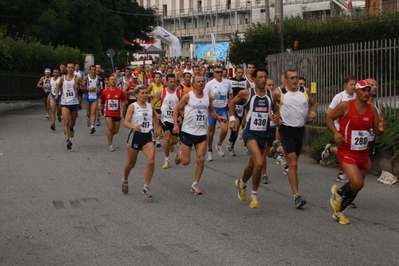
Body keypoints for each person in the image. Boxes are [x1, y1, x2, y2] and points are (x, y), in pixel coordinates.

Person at [327, 80, 385, 225]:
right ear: (356, 91)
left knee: (358, 187)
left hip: (363, 152)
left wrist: (381, 129)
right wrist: (335, 133)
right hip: (347, 150)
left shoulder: (372, 109)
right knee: (357, 182)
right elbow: (329, 118)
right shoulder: (346, 106)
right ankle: (339, 192)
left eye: (368, 90)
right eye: (363, 90)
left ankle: (339, 211)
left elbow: (376, 131)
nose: (366, 93)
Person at [229, 68, 279, 208]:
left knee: (252, 165)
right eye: (260, 77)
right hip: (250, 133)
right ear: (255, 79)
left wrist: (276, 118)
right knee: (259, 163)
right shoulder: (246, 93)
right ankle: (254, 194)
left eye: (265, 77)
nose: (263, 80)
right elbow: (232, 103)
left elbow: (276, 110)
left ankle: (242, 183)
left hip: (264, 133)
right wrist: (232, 119)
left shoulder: (271, 95)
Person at [172, 75, 227, 195]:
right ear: (194, 84)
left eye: (203, 81)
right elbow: (176, 109)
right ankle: (181, 154)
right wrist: (176, 125)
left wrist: (218, 117)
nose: (201, 83)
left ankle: (195, 184)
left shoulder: (207, 97)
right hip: (188, 131)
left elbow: (211, 110)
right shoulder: (188, 96)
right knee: (186, 162)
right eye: (198, 82)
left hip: (201, 132)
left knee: (201, 159)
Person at [271, 68, 317, 208]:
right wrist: (275, 117)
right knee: (293, 162)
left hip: (300, 129)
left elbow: (313, 104)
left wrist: (312, 113)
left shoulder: (305, 91)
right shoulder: (279, 93)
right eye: (291, 78)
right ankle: (296, 195)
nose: (295, 80)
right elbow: (272, 107)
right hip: (286, 129)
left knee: (294, 160)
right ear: (286, 80)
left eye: (296, 77)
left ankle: (277, 148)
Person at [122, 84, 159, 197]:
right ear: (136, 95)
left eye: (146, 93)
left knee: (151, 161)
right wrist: (134, 127)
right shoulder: (132, 106)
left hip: (148, 135)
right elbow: (126, 123)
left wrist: (156, 129)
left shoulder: (150, 106)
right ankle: (125, 179)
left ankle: (145, 187)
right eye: (142, 93)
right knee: (131, 164)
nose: (145, 95)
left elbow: (154, 117)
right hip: (136, 135)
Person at [321, 75, 357, 182]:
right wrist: (339, 117)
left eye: (355, 84)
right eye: (351, 84)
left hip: (353, 128)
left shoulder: (357, 96)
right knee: (345, 150)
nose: (353, 87)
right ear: (346, 85)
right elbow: (329, 112)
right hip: (340, 128)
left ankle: (330, 150)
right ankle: (341, 174)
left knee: (350, 151)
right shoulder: (339, 97)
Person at [151, 74, 182, 169]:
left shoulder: (179, 93)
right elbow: (152, 104)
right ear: (167, 82)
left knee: (174, 141)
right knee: (167, 137)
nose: (173, 84)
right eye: (171, 82)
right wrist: (157, 115)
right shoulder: (162, 92)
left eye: (174, 82)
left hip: (175, 119)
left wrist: (181, 116)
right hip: (164, 118)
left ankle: (172, 144)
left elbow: (184, 105)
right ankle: (166, 160)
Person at [204, 65, 233, 161]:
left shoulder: (227, 82)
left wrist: (230, 102)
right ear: (214, 73)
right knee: (211, 133)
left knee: (225, 130)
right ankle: (209, 150)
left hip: (223, 109)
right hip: (212, 110)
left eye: (221, 72)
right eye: (217, 72)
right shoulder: (209, 84)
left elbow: (230, 93)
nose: (220, 74)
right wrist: (211, 98)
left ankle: (219, 144)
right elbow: (205, 98)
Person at [54, 62, 86, 150]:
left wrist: (78, 87)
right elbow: (58, 86)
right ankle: (67, 140)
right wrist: (57, 94)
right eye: (69, 67)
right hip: (64, 103)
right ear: (66, 69)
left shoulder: (77, 78)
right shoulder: (62, 78)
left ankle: (71, 128)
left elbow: (85, 88)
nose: (71, 69)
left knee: (72, 122)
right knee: (66, 121)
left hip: (74, 102)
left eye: (72, 67)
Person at [98, 75, 127, 152]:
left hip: (117, 113)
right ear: (109, 81)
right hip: (108, 113)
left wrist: (123, 104)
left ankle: (110, 134)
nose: (113, 81)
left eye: (114, 79)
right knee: (110, 127)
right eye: (111, 79)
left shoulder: (120, 92)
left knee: (116, 131)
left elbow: (124, 99)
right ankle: (110, 145)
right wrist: (99, 105)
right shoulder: (105, 91)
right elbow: (100, 99)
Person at [226, 66, 247, 156]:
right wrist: (228, 101)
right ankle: (231, 144)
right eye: (239, 72)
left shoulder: (245, 82)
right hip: (233, 105)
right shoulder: (230, 81)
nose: (240, 74)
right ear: (235, 72)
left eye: (242, 72)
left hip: (242, 106)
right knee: (236, 124)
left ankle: (231, 144)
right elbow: (227, 92)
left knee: (237, 128)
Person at [261, 79, 277, 184]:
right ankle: (264, 174)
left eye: (272, 85)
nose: (271, 87)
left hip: (273, 128)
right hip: (262, 127)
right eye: (268, 85)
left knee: (269, 153)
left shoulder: (275, 96)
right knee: (262, 152)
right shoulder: (260, 97)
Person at [147, 72, 164, 147]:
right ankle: (152, 137)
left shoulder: (162, 87)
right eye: (156, 77)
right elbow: (145, 93)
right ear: (154, 78)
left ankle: (158, 140)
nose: (158, 79)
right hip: (153, 107)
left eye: (159, 77)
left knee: (159, 124)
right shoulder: (151, 85)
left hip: (160, 107)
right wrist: (150, 95)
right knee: (154, 124)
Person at [83, 65, 100, 134]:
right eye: (92, 69)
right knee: (88, 112)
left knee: (93, 112)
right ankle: (87, 117)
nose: (93, 71)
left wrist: (98, 89)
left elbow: (99, 85)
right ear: (90, 70)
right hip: (88, 96)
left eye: (94, 70)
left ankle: (92, 126)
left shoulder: (98, 77)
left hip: (95, 97)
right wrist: (89, 89)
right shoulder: (86, 77)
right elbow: (82, 86)